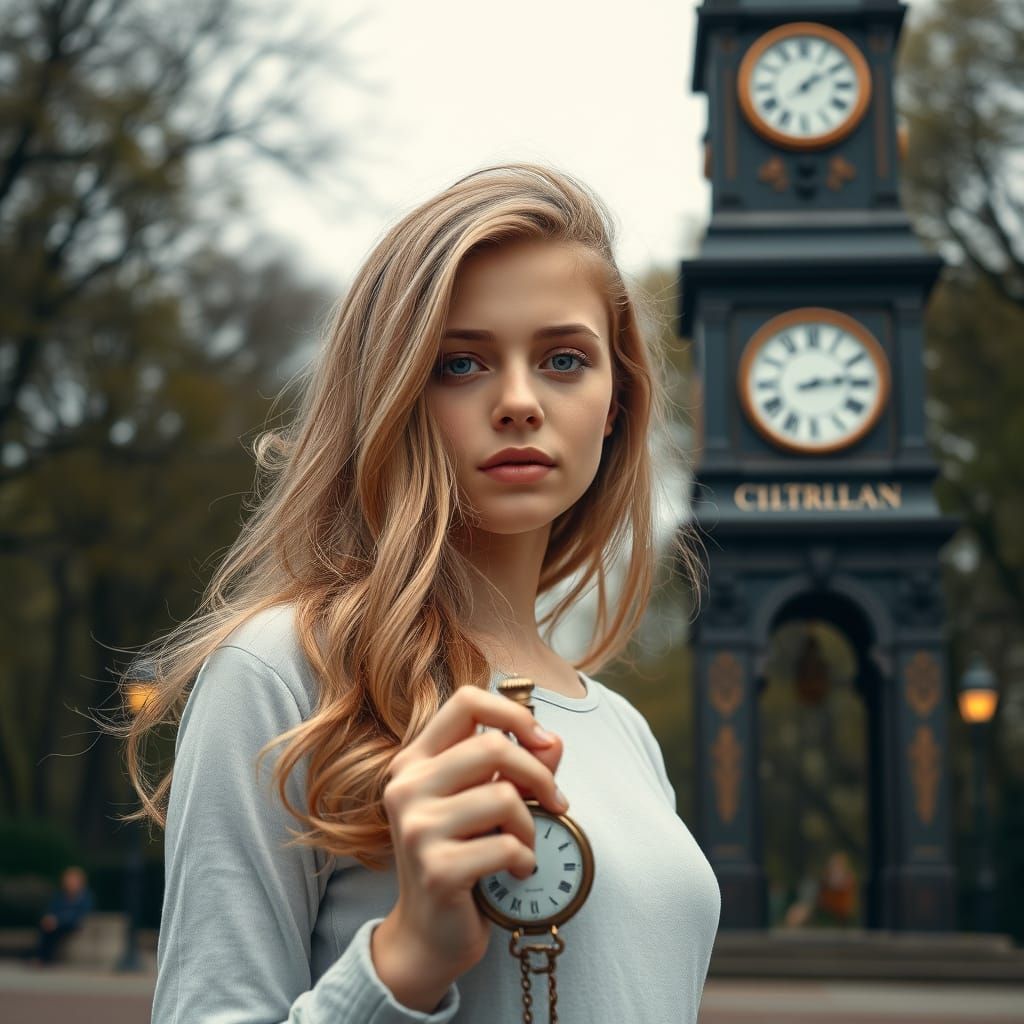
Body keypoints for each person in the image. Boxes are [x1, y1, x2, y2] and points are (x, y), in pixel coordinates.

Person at [113, 163, 721, 1022]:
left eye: (563, 359)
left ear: (616, 399)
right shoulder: (286, 671)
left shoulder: (626, 735)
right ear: (391, 393)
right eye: (461, 362)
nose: (518, 401)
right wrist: (405, 960)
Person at [33, 865, 94, 965]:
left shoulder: (85, 897)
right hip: (56, 923)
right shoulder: (60, 895)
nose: (70, 882)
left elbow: (79, 915)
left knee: (53, 930)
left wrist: (58, 920)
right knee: (46, 927)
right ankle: (41, 957)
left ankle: (44, 958)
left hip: (71, 924)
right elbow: (51, 909)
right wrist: (49, 918)